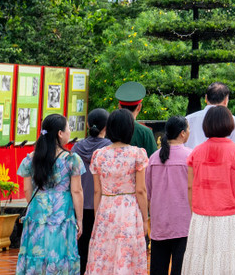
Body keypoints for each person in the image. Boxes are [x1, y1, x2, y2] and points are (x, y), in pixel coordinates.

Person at [185, 105, 235, 275]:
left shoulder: (196, 152)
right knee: (228, 261)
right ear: (229, 124)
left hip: (201, 215)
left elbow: (190, 186)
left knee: (201, 259)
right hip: (229, 216)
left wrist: (194, 211)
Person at [16, 113, 85, 275]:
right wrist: (80, 219)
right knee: (60, 255)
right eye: (68, 128)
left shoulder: (31, 158)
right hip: (62, 214)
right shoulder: (71, 159)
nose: (70, 132)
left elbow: (27, 189)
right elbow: (76, 191)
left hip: (37, 212)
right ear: (60, 133)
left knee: (36, 255)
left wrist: (36, 208)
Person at [86, 108, 150, 275]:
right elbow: (141, 190)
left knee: (104, 256)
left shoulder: (98, 155)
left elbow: (97, 191)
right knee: (127, 255)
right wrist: (145, 218)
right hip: (129, 210)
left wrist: (97, 215)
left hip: (105, 209)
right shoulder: (137, 154)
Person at [146, 116, 192, 275]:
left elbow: (148, 192)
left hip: (160, 224)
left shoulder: (153, 158)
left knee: (158, 269)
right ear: (182, 133)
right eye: (188, 129)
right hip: (184, 224)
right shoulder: (190, 157)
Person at [73, 107, 110, 272]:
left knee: (81, 250)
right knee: (101, 249)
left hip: (79, 206)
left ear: (87, 124)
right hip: (101, 205)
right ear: (106, 127)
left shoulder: (76, 148)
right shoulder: (109, 149)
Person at [186, 83, 235, 149]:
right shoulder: (232, 120)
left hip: (193, 158)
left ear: (206, 98)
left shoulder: (188, 119)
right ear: (226, 100)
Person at [114, 81, 161, 159]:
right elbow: (153, 160)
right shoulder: (145, 132)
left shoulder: (109, 129)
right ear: (139, 107)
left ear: (119, 106)